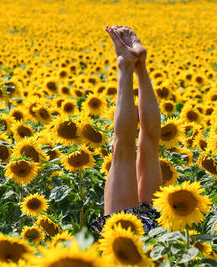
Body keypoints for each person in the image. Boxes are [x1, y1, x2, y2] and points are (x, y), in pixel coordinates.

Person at [91, 25, 163, 233]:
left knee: (143, 147)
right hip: (146, 239)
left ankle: (135, 64)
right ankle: (130, 64)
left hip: (137, 236)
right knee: (127, 150)